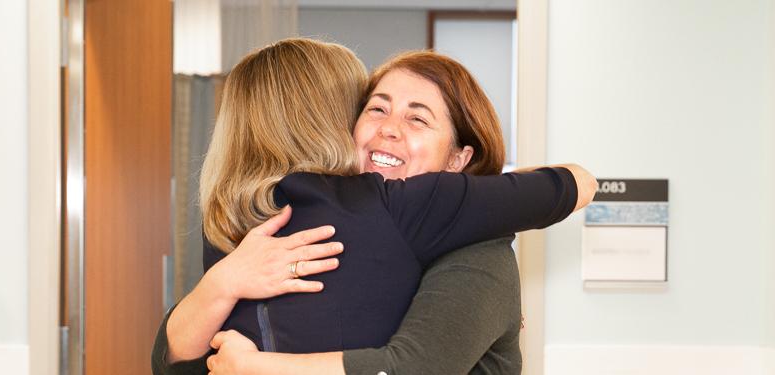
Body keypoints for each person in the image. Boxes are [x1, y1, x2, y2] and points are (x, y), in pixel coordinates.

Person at [152, 39, 596, 374]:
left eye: (417, 118)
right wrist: (221, 283)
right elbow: (173, 360)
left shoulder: (479, 249)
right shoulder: (271, 231)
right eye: (376, 109)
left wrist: (259, 367)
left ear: (460, 158)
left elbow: (411, 367)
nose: (389, 129)